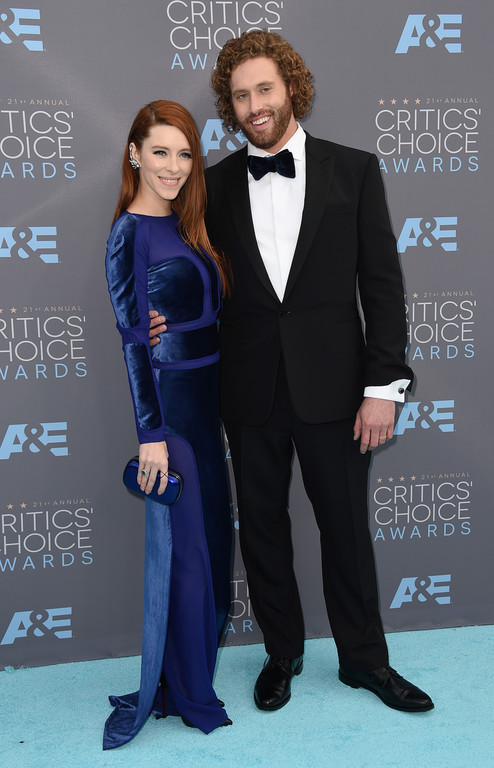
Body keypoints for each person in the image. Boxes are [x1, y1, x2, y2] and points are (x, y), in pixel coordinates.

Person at [150, 31, 433, 715]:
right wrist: (160, 316)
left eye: (265, 89)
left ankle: (365, 661)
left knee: (346, 531)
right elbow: (187, 274)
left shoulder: (353, 169)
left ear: (291, 89)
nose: (255, 105)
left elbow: (383, 287)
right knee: (263, 529)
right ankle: (282, 654)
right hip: (247, 389)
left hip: (337, 390)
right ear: (230, 106)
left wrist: (383, 388)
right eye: (240, 95)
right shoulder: (213, 184)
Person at [103, 100, 232, 750]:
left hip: (208, 411)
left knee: (213, 547)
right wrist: (150, 434)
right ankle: (186, 690)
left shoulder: (187, 225)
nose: (174, 166)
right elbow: (133, 342)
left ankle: (188, 676)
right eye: (160, 152)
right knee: (188, 556)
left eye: (184, 154)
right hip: (172, 414)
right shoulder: (129, 233)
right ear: (134, 154)